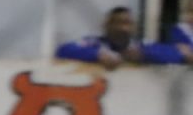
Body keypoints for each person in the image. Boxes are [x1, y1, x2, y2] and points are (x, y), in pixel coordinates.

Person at [56, 6, 187, 69]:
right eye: (117, 22)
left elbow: (174, 54)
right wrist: (97, 55)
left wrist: (145, 55)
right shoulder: (95, 43)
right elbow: (63, 50)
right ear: (106, 25)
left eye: (127, 23)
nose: (123, 28)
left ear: (134, 26)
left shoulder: (142, 45)